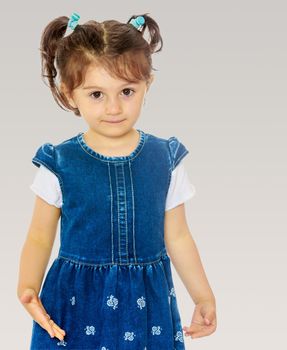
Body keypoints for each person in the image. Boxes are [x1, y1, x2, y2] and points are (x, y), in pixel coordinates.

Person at [17, 12, 217, 349]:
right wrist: (27, 286)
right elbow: (39, 236)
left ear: (146, 85)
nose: (114, 107)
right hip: (76, 301)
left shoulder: (165, 159)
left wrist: (203, 295)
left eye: (126, 91)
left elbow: (179, 237)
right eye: (96, 94)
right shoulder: (58, 163)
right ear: (69, 94)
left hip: (145, 303)